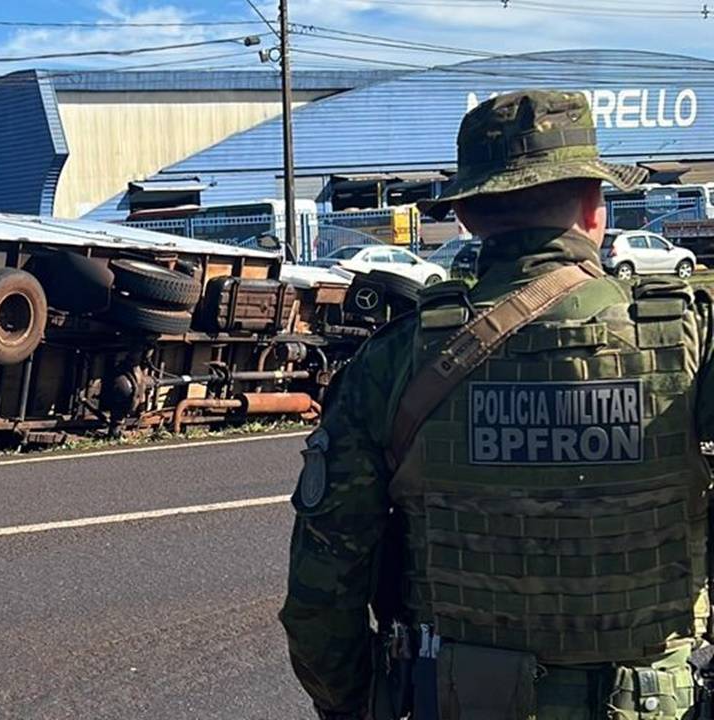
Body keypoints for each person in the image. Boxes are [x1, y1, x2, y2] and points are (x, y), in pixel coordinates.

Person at [280, 89, 714, 720]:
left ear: (469, 218)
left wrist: (356, 706)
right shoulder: (692, 339)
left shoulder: (396, 360)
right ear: (594, 208)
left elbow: (321, 599)